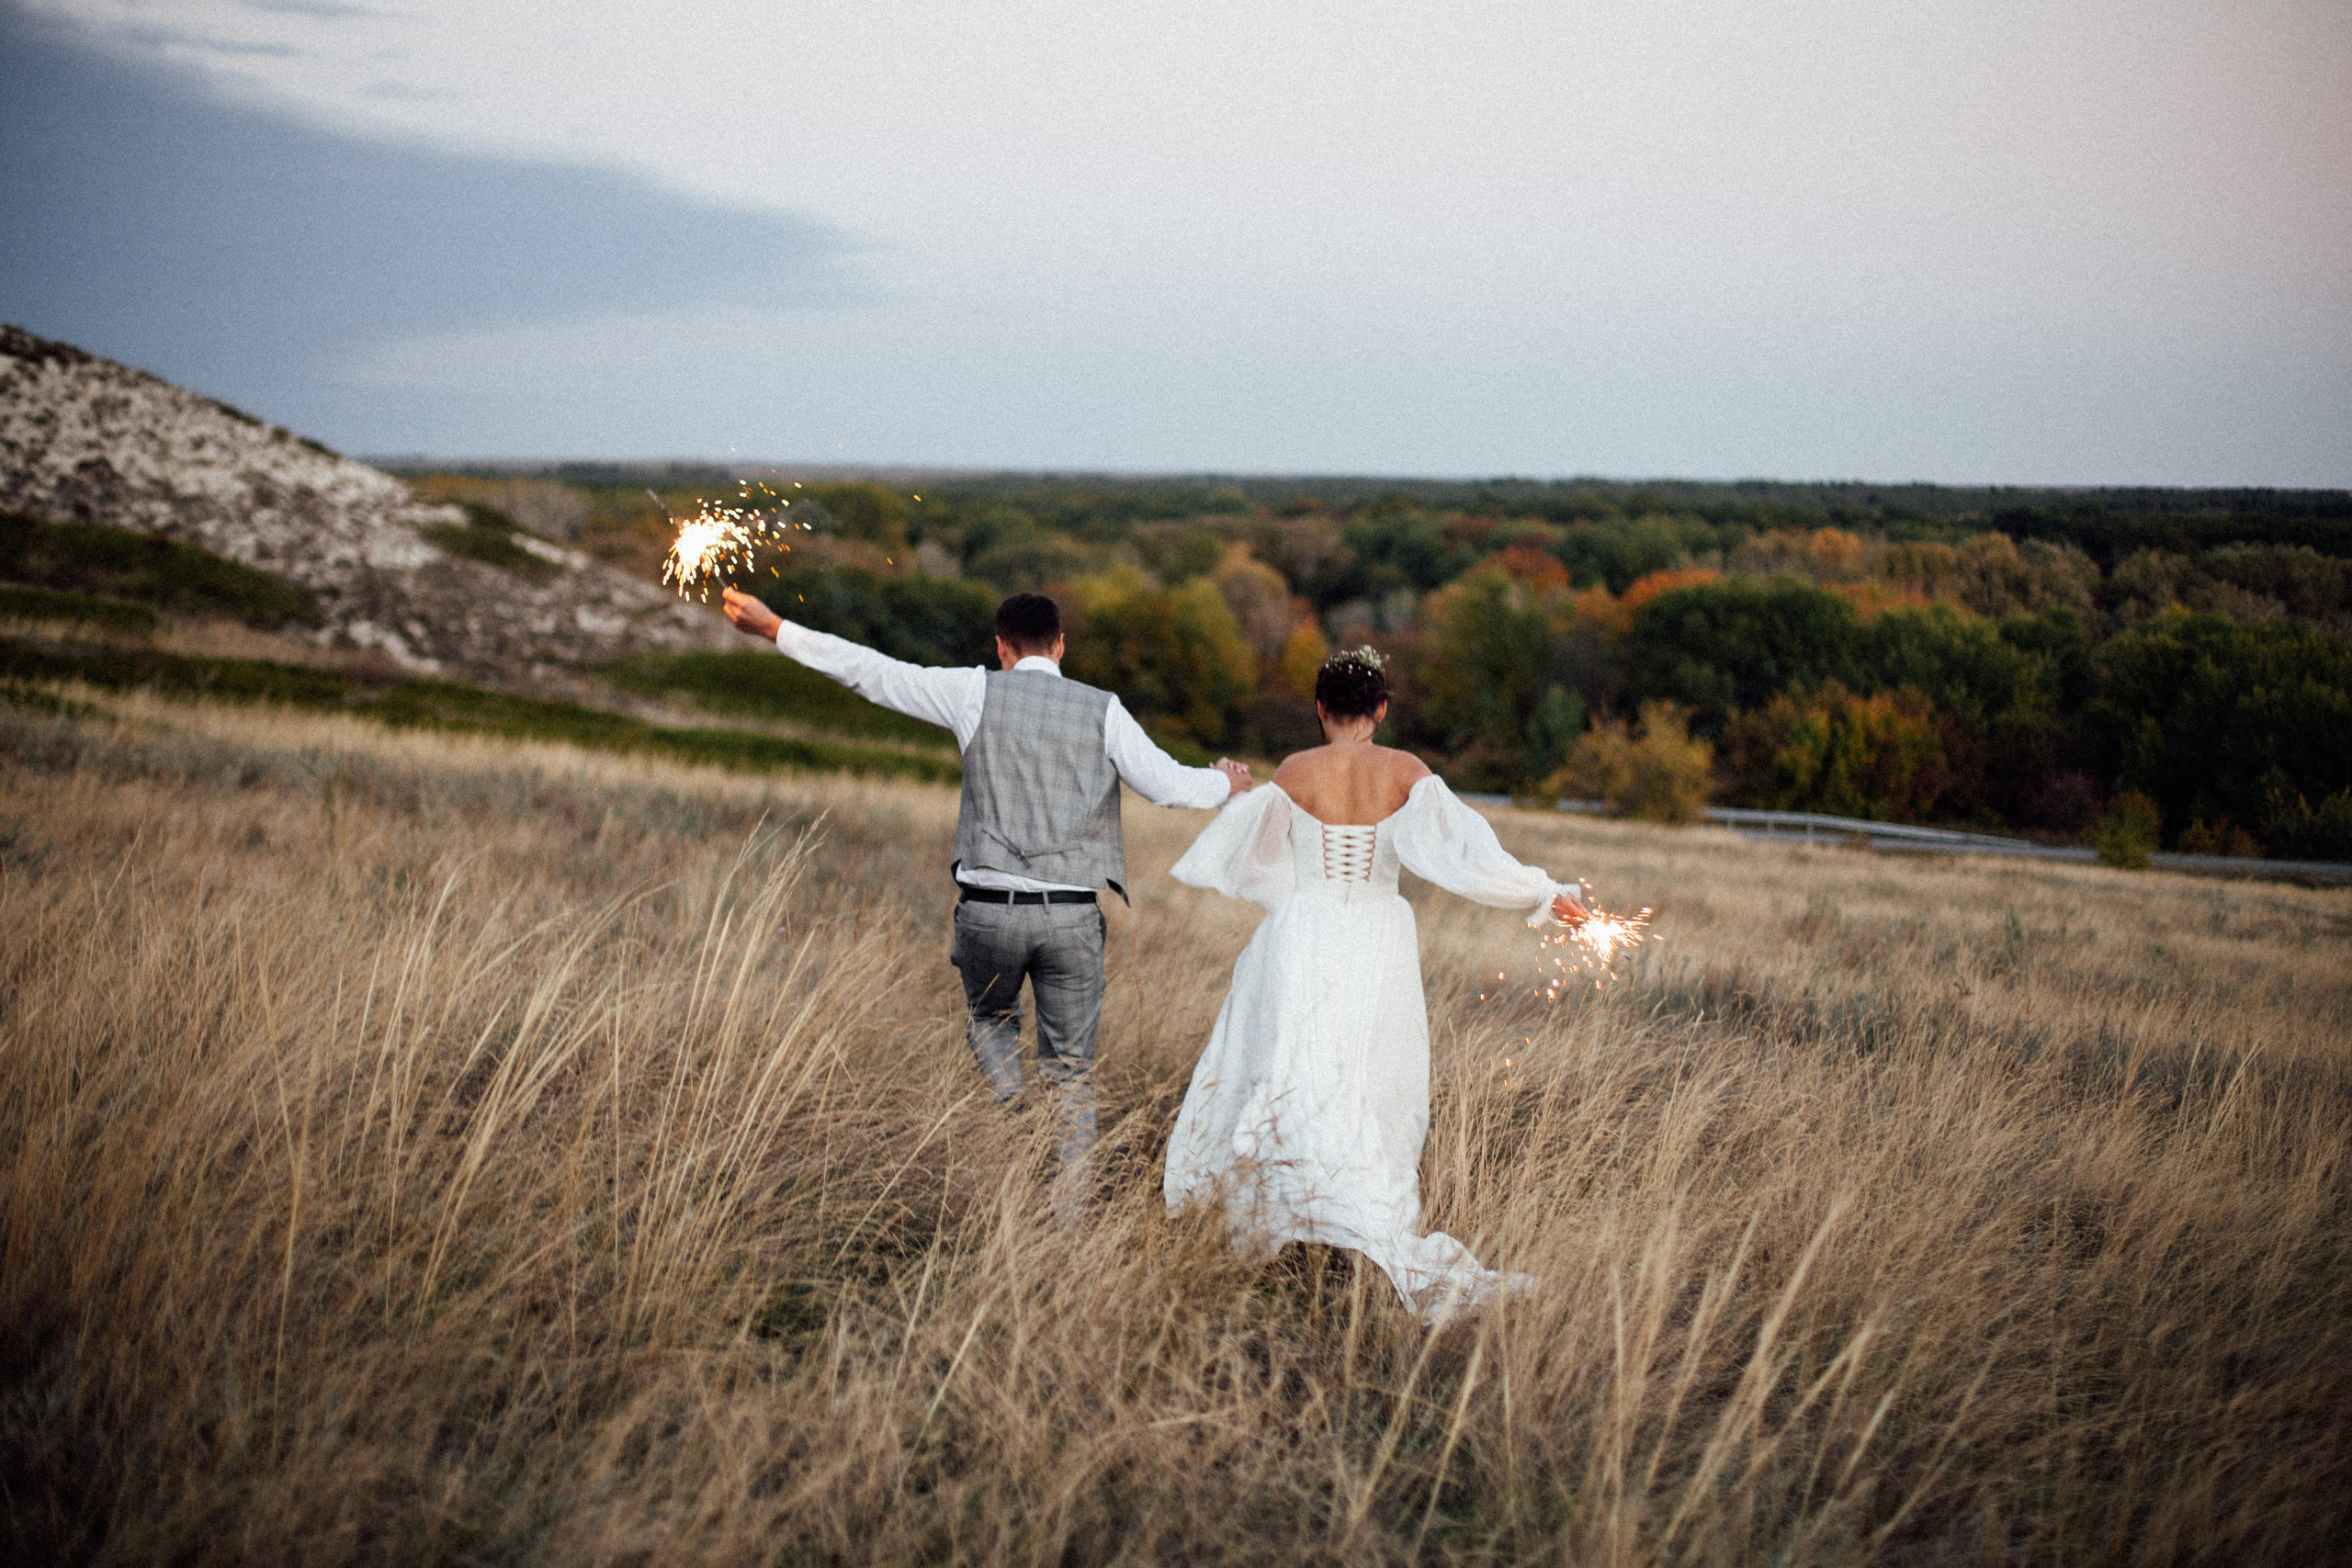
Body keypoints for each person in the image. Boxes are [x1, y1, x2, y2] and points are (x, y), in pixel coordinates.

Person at [720, 585, 1251, 1183]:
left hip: (988, 911)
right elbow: (1169, 786)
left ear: (1001, 646)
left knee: (990, 1020)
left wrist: (774, 628)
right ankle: (1068, 1222)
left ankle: (1012, 1107)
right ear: (1060, 646)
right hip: (1070, 915)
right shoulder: (1102, 708)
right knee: (1071, 1073)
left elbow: (871, 672)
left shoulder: (971, 690)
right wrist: (1225, 784)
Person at [1163, 647, 1586, 1320]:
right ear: (1381, 709)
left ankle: (1295, 1217)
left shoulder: (1297, 770)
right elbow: (1469, 854)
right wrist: (1544, 890)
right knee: (1368, 1077)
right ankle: (1352, 1219)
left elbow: (1256, 857)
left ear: (1322, 709)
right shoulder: (1405, 771)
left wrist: (1242, 799)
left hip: (1302, 932)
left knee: (1294, 1066)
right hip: (1376, 935)